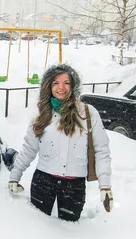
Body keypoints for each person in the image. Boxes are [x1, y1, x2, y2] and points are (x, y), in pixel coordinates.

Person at [8, 64, 113, 222]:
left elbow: (101, 150)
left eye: (66, 83)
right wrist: (14, 176)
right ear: (49, 86)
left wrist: (105, 185)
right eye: (56, 83)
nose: (61, 87)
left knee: (69, 232)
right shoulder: (41, 114)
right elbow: (29, 148)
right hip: (43, 183)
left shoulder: (88, 113)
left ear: (73, 86)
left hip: (73, 187)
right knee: (37, 228)